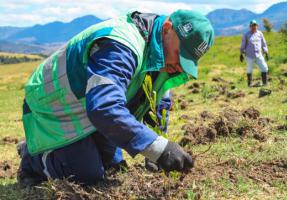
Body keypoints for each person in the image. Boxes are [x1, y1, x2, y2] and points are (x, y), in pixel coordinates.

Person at [17, 10, 214, 186]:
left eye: (187, 61)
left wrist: (157, 145)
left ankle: (80, 147)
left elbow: (157, 100)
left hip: (87, 105)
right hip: (53, 106)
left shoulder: (161, 55)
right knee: (86, 175)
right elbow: (104, 107)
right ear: (168, 29)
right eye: (180, 54)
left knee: (114, 166)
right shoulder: (122, 45)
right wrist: (159, 149)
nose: (178, 65)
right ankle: (33, 158)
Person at [240, 20, 269, 87]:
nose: (254, 27)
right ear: (250, 26)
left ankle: (265, 83)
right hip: (249, 55)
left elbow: (263, 43)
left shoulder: (260, 34)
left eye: (255, 25)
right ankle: (249, 84)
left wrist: (266, 52)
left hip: (259, 55)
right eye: (252, 25)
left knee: (264, 68)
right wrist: (241, 53)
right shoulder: (246, 35)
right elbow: (243, 45)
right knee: (249, 69)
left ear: (257, 26)